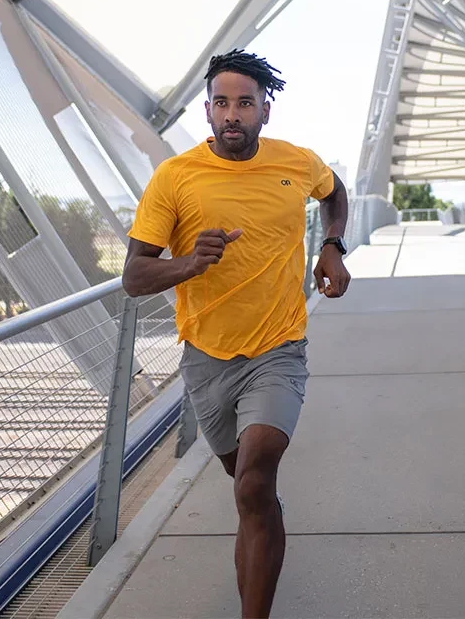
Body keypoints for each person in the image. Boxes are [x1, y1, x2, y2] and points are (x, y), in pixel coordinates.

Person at [122, 49, 351, 618]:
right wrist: (189, 264)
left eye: (245, 103)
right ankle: (266, 519)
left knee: (252, 481)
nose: (232, 114)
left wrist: (331, 245)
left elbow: (335, 193)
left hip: (278, 349)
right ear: (206, 110)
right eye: (221, 103)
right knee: (249, 486)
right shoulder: (175, 177)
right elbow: (134, 277)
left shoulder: (295, 162)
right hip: (207, 359)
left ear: (264, 111)